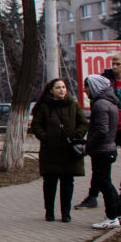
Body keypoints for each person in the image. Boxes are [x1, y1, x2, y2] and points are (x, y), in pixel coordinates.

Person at [76, 52, 121, 209]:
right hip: (110, 128)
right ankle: (93, 196)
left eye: (118, 64)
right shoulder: (106, 81)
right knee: (100, 163)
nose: (115, 67)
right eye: (113, 63)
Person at [30, 78, 88, 222]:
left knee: (67, 183)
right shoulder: (44, 107)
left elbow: (83, 123)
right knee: (50, 183)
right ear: (51, 91)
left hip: (69, 151)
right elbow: (36, 125)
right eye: (58, 87)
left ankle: (66, 213)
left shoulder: (73, 105)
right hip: (51, 151)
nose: (61, 90)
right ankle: (49, 212)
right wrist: (46, 137)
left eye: (63, 87)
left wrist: (77, 135)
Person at [81, 75, 121, 229]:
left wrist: (88, 145)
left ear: (94, 87)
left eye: (86, 87)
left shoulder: (100, 105)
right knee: (105, 182)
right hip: (108, 148)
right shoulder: (110, 102)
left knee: (104, 183)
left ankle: (111, 216)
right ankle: (120, 212)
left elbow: (101, 130)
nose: (84, 90)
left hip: (101, 150)